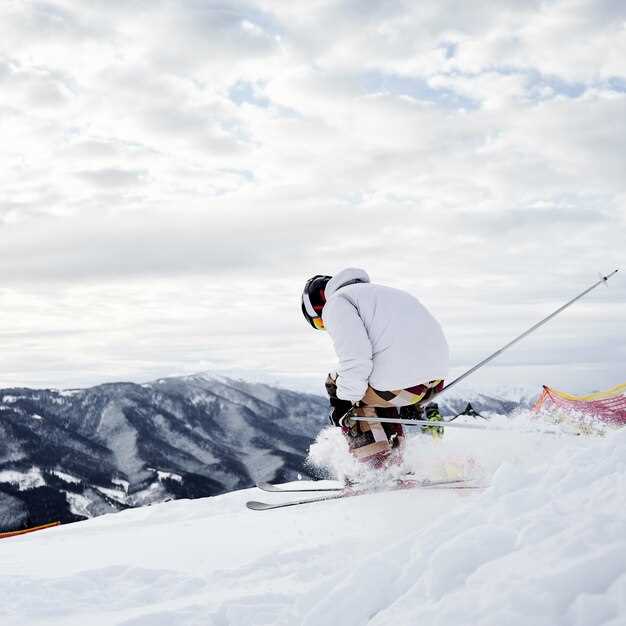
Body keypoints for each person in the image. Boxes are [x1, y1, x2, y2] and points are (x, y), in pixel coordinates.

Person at [302, 268, 450, 469]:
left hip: (405, 386)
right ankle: (395, 462)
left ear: (318, 308)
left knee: (341, 386)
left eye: (320, 323)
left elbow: (356, 359)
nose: (326, 327)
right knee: (367, 386)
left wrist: (344, 406)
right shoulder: (385, 295)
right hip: (434, 382)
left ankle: (375, 468)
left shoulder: (337, 304)